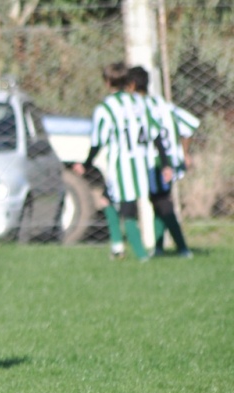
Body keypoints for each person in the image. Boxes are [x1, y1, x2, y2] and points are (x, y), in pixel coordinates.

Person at [72, 62, 153, 262]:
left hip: (121, 165)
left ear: (108, 83)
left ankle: (141, 255)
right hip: (142, 163)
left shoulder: (106, 108)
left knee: (128, 210)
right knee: (107, 200)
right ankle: (117, 247)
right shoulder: (140, 103)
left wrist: (86, 163)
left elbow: (98, 140)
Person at [127, 65, 198, 258]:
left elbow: (153, 133)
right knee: (158, 201)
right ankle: (159, 248)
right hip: (168, 160)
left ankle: (183, 248)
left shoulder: (136, 106)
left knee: (162, 202)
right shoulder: (163, 104)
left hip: (155, 161)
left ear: (131, 85)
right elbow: (190, 125)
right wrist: (185, 153)